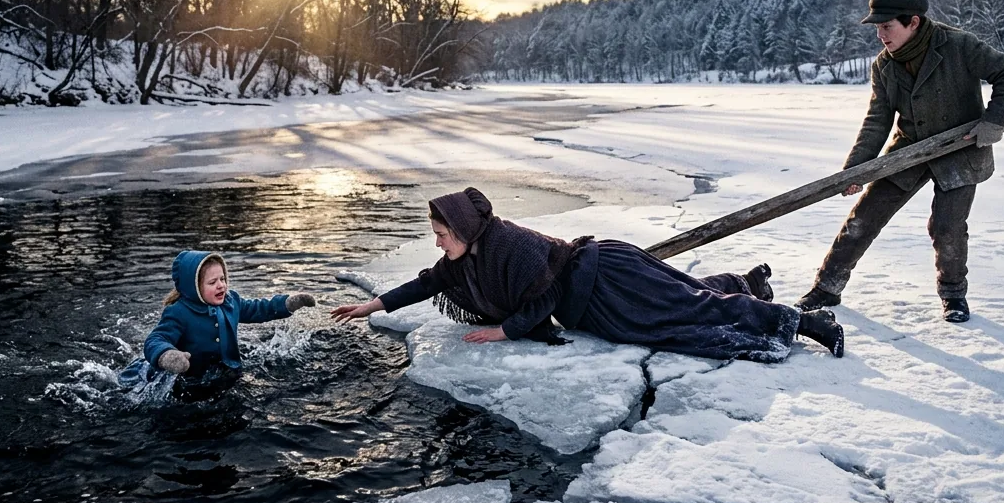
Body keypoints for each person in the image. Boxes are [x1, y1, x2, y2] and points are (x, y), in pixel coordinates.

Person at [331, 188, 845, 361]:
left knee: (690, 310)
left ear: (464, 228)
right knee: (685, 298)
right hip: (594, 295)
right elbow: (425, 283)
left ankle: (805, 322)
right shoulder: (468, 258)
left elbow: (542, 291)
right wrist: (371, 306)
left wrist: (504, 330)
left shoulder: (507, 244)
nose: (438, 243)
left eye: (441, 233)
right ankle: (745, 282)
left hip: (605, 277)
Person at [795, 0, 1004, 323]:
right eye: (877, 27)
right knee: (863, 219)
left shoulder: (958, 45)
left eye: (886, 26)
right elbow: (877, 120)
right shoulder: (884, 66)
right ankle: (826, 288)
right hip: (909, 149)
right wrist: (855, 170)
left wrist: (994, 121)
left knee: (947, 228)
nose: (880, 35)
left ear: (913, 22)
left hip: (961, 148)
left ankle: (953, 295)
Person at [138, 250, 317, 379]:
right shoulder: (179, 312)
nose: (221, 285)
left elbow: (259, 309)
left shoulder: (231, 301)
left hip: (228, 373)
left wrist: (289, 303)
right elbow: (155, 339)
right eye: (212, 282)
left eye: (223, 279)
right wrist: (167, 355)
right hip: (191, 382)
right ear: (194, 287)